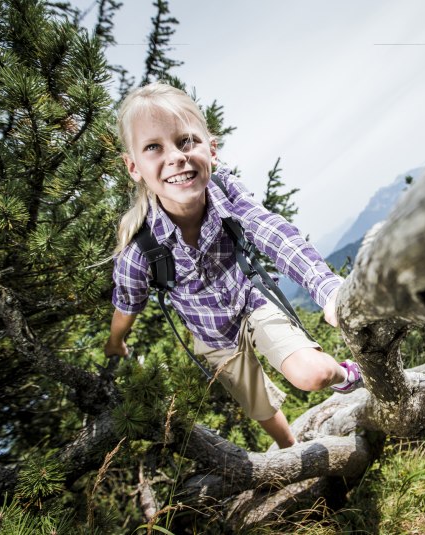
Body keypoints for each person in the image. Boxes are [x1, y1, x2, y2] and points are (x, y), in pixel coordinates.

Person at [103, 82, 362, 449]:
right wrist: (116, 343)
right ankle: (292, 452)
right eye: (153, 148)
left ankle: (345, 375)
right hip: (212, 337)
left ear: (212, 148)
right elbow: (127, 302)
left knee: (315, 374)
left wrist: (328, 289)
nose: (176, 156)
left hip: (250, 300)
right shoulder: (140, 251)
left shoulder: (226, 191)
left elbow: (273, 232)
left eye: (186, 141)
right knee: (261, 409)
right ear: (134, 167)